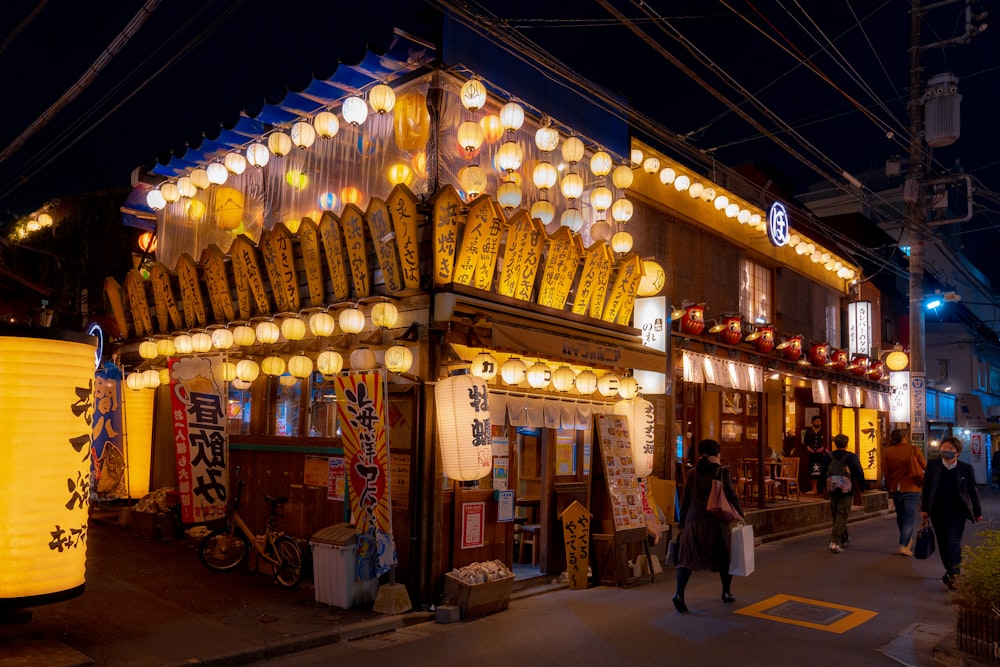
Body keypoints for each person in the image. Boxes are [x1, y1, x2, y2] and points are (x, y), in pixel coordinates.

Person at [673, 439, 744, 613]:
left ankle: (679, 594)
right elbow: (731, 495)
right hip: (716, 522)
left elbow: (686, 500)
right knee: (724, 558)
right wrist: (740, 514)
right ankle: (726, 592)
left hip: (693, 521)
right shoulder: (721, 471)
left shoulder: (691, 473)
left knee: (686, 560)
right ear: (717, 455)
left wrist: (682, 524)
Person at [921, 437, 983, 591]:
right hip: (937, 511)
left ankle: (955, 574)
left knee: (953, 542)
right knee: (942, 543)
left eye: (950, 448)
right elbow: (927, 488)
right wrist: (924, 509)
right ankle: (950, 571)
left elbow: (972, 491)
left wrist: (977, 511)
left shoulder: (965, 468)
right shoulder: (933, 465)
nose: (946, 450)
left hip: (957, 512)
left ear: (958, 452)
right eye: (944, 447)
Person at [882, 429, 926, 556]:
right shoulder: (914, 450)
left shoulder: (887, 452)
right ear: (904, 438)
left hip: (896, 487)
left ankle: (906, 540)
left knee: (900, 516)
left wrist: (890, 486)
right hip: (912, 487)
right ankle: (903, 544)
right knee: (909, 517)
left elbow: (886, 472)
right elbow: (925, 466)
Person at [818, 433, 865, 553]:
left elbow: (822, 472)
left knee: (837, 514)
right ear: (847, 443)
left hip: (832, 488)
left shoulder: (828, 456)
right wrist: (862, 487)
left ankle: (844, 538)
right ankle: (835, 541)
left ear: (835, 443)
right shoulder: (852, 457)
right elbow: (859, 472)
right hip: (846, 489)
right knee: (842, 514)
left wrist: (824, 486)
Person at [803, 416, 827, 494]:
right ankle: (814, 489)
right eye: (816, 421)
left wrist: (823, 448)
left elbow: (827, 442)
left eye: (819, 421)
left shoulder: (824, 431)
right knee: (812, 471)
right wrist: (808, 448)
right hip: (812, 454)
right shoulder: (809, 431)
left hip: (822, 455)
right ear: (812, 422)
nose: (818, 422)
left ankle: (824, 489)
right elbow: (805, 442)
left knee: (823, 471)